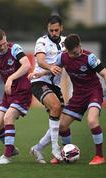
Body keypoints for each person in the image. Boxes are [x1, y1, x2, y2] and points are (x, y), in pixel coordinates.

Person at [55, 34, 106, 165]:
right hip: (78, 95)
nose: (71, 55)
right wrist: (39, 73)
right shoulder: (63, 56)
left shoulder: (90, 58)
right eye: (69, 53)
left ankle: (99, 156)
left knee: (92, 120)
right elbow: (54, 69)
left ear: (79, 46)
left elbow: (105, 74)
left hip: (94, 92)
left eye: (74, 52)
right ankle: (68, 152)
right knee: (62, 125)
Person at [29, 15, 71, 164]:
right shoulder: (41, 41)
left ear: (61, 28)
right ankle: (55, 148)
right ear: (47, 28)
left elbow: (69, 61)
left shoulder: (66, 43)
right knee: (55, 106)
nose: (53, 33)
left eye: (56, 30)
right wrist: (49, 68)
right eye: (51, 30)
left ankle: (37, 148)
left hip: (55, 85)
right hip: (39, 81)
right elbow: (40, 60)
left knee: (61, 123)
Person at [0, 29, 32, 165]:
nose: (2, 47)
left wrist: (11, 78)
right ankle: (11, 149)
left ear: (6, 39)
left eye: (3, 43)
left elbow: (27, 65)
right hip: (8, 94)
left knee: (8, 117)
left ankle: (7, 156)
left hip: (23, 90)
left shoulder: (15, 48)